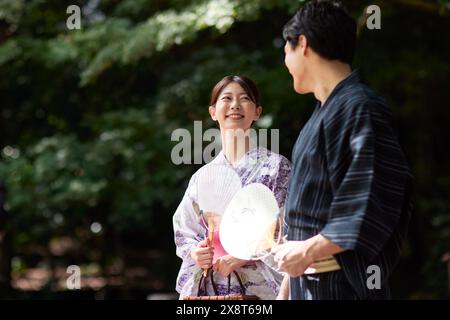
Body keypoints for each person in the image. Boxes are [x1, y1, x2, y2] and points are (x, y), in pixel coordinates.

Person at [272, 0, 412, 300]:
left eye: (287, 51)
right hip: (306, 283)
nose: (286, 62)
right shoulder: (323, 112)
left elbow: (371, 199)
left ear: (304, 44)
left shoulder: (360, 107)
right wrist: (288, 283)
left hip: (340, 287)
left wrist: (308, 250)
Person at [173, 75, 291, 299]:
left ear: (257, 111)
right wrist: (196, 253)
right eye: (227, 98)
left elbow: (288, 227)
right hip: (211, 289)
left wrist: (245, 254)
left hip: (261, 289)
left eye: (244, 98)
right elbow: (184, 228)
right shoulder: (203, 177)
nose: (235, 105)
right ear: (213, 112)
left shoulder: (277, 168)